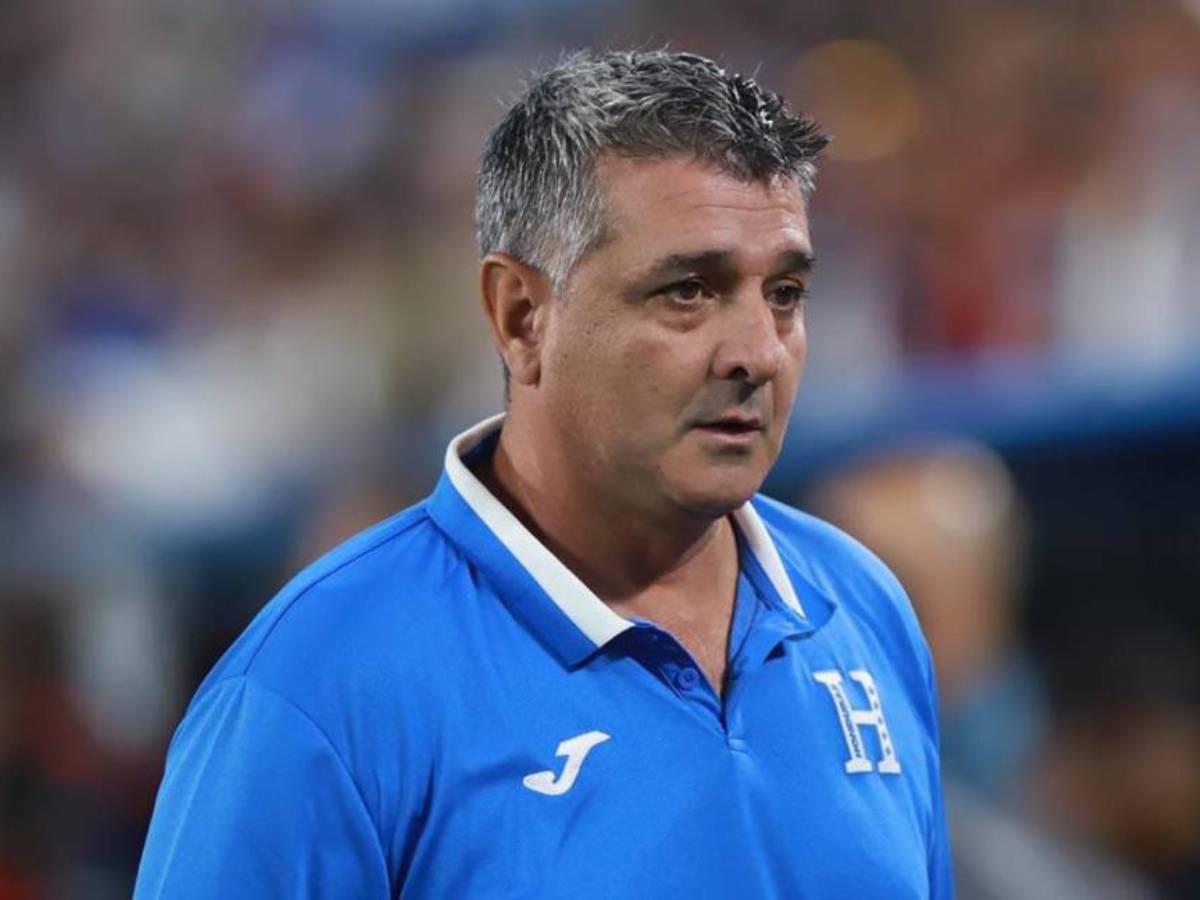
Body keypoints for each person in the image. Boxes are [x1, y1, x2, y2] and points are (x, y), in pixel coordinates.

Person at [134, 49, 953, 898]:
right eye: (688, 291)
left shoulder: (861, 607)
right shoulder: (315, 688)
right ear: (522, 316)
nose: (758, 352)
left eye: (783, 293)